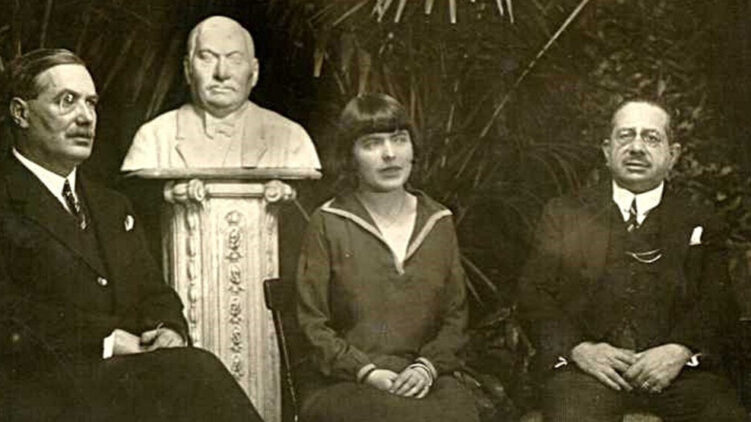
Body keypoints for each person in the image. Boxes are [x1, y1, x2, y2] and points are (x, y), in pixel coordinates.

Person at [0, 48, 264, 422]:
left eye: (91, 103)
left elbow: (153, 292)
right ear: (21, 113)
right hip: (38, 390)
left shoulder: (111, 206)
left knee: (188, 369)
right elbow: (9, 314)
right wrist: (104, 340)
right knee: (195, 371)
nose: (85, 117)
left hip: (120, 386)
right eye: (67, 101)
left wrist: (168, 329)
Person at [518, 99, 747, 421]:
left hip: (679, 372)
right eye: (625, 136)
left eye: (651, 138)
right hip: (587, 373)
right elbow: (534, 293)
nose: (636, 147)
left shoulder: (700, 218)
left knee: (724, 416)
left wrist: (678, 350)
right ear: (607, 150)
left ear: (673, 155)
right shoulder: (564, 213)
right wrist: (580, 349)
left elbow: (718, 300)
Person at [295, 94, 479, 422]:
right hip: (346, 380)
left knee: (458, 412)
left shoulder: (438, 220)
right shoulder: (328, 222)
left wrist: (426, 368)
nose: (390, 154)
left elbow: (456, 317)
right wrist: (365, 371)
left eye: (399, 139)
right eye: (372, 144)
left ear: (413, 148)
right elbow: (312, 324)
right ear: (350, 156)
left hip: (424, 376)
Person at [120, 15, 320, 170]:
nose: (222, 73)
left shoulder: (291, 139)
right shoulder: (154, 138)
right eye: (207, 57)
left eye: (235, 58)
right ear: (188, 70)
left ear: (254, 72)